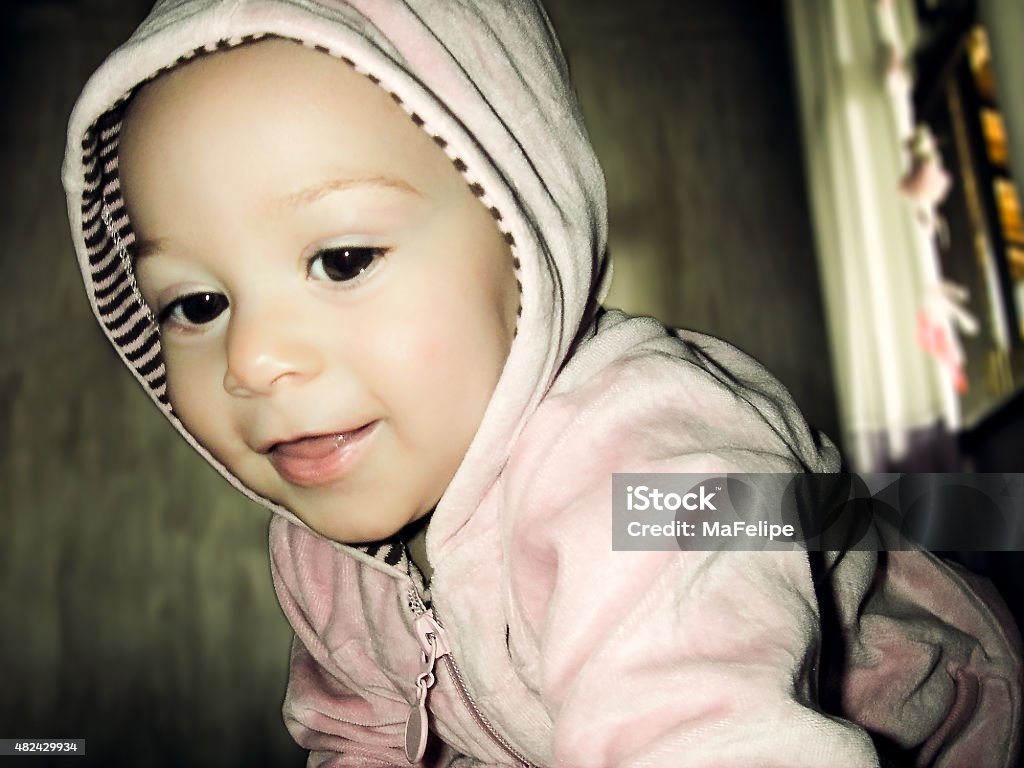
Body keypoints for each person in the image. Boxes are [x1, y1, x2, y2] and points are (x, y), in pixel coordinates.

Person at [62, 1, 1021, 766]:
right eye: (194, 304)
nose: (252, 360)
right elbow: (358, 729)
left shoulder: (657, 465)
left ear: (524, 239)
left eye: (344, 258)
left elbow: (704, 734)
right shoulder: (319, 548)